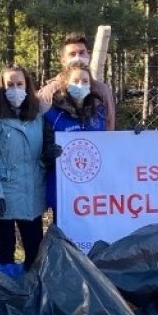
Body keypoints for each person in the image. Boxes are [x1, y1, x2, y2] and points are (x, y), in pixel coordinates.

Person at [0, 65, 61, 276]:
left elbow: (40, 154)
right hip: (4, 191)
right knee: (6, 248)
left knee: (34, 248)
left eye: (19, 84)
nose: (15, 89)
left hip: (32, 192)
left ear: (27, 86)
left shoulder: (37, 116)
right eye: (10, 85)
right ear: (2, 87)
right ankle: (5, 287)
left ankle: (31, 288)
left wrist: (48, 156)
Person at [44, 61, 106, 214]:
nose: (80, 85)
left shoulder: (99, 113)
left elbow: (110, 146)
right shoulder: (52, 114)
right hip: (63, 191)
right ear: (66, 84)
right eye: (75, 81)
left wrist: (134, 136)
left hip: (94, 193)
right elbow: (41, 151)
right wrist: (48, 154)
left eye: (85, 81)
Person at [36, 32, 117, 130]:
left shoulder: (102, 90)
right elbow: (41, 126)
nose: (78, 58)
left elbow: (109, 124)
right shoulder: (48, 92)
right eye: (72, 54)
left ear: (89, 56)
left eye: (82, 53)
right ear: (63, 60)